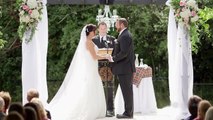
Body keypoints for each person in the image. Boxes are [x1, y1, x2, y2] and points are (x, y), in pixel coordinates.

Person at [48, 24, 107, 120]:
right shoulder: (89, 42)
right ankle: (89, 109)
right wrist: (106, 56)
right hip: (90, 69)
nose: (95, 33)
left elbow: (93, 54)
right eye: (94, 31)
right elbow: (94, 56)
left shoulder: (88, 42)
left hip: (91, 67)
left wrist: (103, 52)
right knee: (90, 87)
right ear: (89, 32)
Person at [107, 18, 136, 119]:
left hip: (125, 69)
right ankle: (128, 112)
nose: (115, 26)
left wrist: (113, 58)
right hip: (125, 68)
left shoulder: (125, 36)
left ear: (122, 25)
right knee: (127, 91)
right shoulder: (124, 35)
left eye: (116, 24)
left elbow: (124, 53)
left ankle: (128, 113)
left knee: (127, 92)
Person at [92, 21, 115, 117]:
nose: (103, 30)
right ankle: (99, 109)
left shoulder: (112, 39)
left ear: (107, 29)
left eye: (104, 29)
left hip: (109, 67)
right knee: (98, 88)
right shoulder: (94, 40)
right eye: (101, 29)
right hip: (97, 67)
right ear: (98, 29)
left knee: (110, 88)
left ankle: (110, 109)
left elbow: (115, 52)